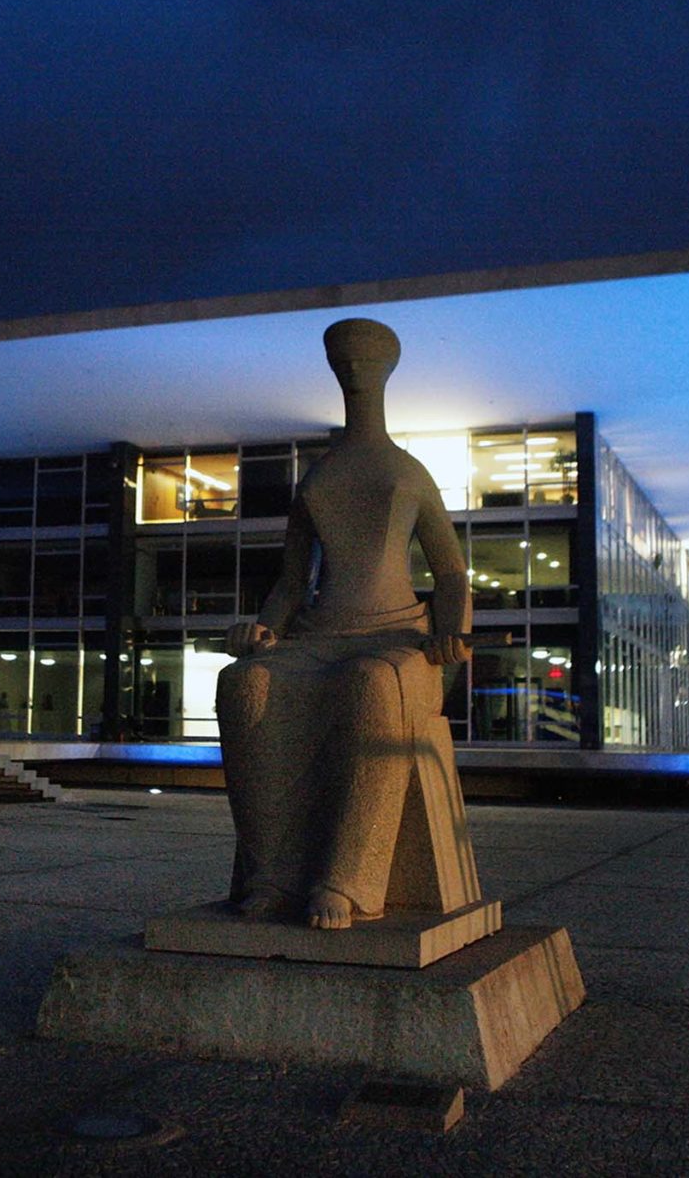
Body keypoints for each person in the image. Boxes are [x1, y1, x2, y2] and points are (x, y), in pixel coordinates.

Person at [217, 318, 471, 930]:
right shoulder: (319, 478)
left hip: (398, 639)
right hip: (318, 634)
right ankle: (272, 873)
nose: (354, 370)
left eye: (365, 360)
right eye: (344, 360)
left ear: (387, 370)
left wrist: (449, 636)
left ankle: (348, 879)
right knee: (243, 685)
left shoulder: (408, 472)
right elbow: (290, 582)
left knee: (370, 684)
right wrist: (262, 630)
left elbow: (452, 573)